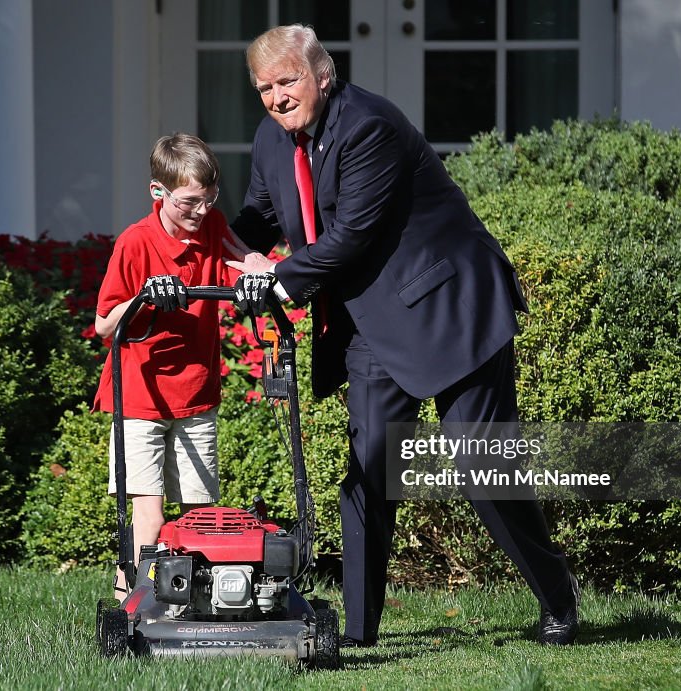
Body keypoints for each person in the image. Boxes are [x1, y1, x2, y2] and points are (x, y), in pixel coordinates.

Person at [224, 25, 580, 647]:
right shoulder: (270, 140)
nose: (277, 97)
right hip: (371, 325)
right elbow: (258, 218)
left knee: (481, 467)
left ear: (323, 76)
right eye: (264, 88)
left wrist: (278, 279)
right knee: (369, 472)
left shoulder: (369, 126)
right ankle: (358, 636)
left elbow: (351, 235)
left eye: (288, 81)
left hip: (450, 307)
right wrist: (198, 249)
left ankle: (557, 595)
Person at [94, 133, 265, 593]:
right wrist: (145, 297)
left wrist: (258, 277)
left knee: (200, 512)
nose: (201, 212)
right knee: (149, 514)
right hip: (140, 396)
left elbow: (243, 260)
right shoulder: (135, 243)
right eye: (189, 202)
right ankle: (131, 597)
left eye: (208, 201)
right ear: (158, 192)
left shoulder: (211, 227)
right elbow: (104, 325)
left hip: (196, 392)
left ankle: (194, 599)